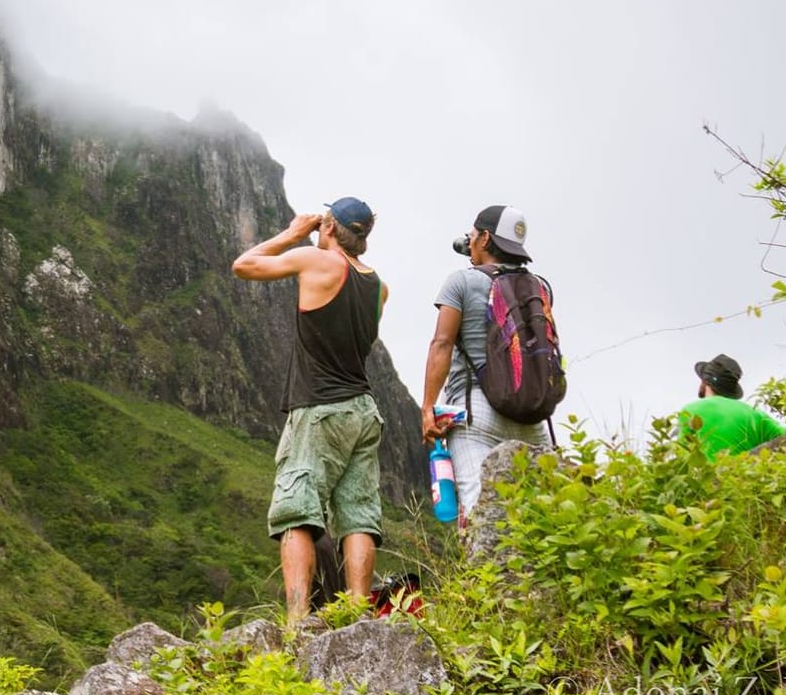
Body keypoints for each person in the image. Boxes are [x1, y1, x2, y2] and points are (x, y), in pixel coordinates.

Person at [232, 197, 389, 624]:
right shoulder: (379, 287)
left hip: (319, 408)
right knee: (358, 514)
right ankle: (359, 614)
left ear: (332, 228)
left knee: (296, 510)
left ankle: (298, 620)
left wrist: (294, 234)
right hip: (363, 411)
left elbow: (243, 265)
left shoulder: (316, 261)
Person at [421, 204, 555, 518]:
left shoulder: (461, 282)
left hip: (476, 411)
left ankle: (486, 568)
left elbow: (441, 343)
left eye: (473, 233)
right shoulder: (541, 287)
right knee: (543, 517)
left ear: (484, 238)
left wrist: (428, 407)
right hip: (533, 415)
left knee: (480, 511)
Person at [678, 353, 786, 458]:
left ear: (704, 382)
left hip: (708, 476)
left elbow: (682, 456)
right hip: (747, 474)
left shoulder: (690, 411)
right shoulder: (755, 414)